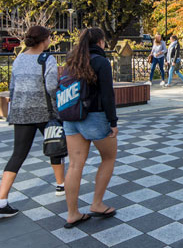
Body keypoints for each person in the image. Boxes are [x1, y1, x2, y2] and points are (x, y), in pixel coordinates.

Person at [0, 26, 65, 219]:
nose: (50, 40)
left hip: (21, 112)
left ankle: (1, 201)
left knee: (18, 154)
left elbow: (12, 86)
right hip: (44, 111)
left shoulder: (20, 58)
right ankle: (61, 185)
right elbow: (50, 87)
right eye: (49, 38)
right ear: (44, 40)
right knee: (54, 146)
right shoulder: (47, 59)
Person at [62, 28, 119, 228]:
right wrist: (113, 122)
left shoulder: (72, 61)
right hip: (95, 116)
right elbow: (107, 95)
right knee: (109, 158)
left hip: (71, 117)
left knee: (75, 165)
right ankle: (97, 203)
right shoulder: (101, 62)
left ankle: (72, 214)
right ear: (101, 42)